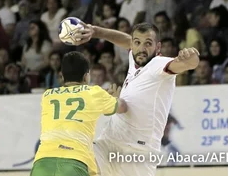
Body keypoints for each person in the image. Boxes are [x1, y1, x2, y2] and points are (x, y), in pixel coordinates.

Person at [73, 22, 200, 176]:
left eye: (148, 44)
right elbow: (126, 40)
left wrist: (191, 58)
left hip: (137, 153)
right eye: (137, 43)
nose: (141, 48)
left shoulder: (158, 64)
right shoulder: (135, 57)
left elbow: (186, 64)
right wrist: (96, 31)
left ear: (157, 47)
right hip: (109, 142)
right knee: (76, 162)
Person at [30, 51, 128, 176]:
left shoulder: (47, 95)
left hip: (42, 162)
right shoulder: (94, 93)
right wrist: (115, 98)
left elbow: (71, 97)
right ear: (87, 76)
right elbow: (123, 107)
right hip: (75, 161)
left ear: (62, 76)